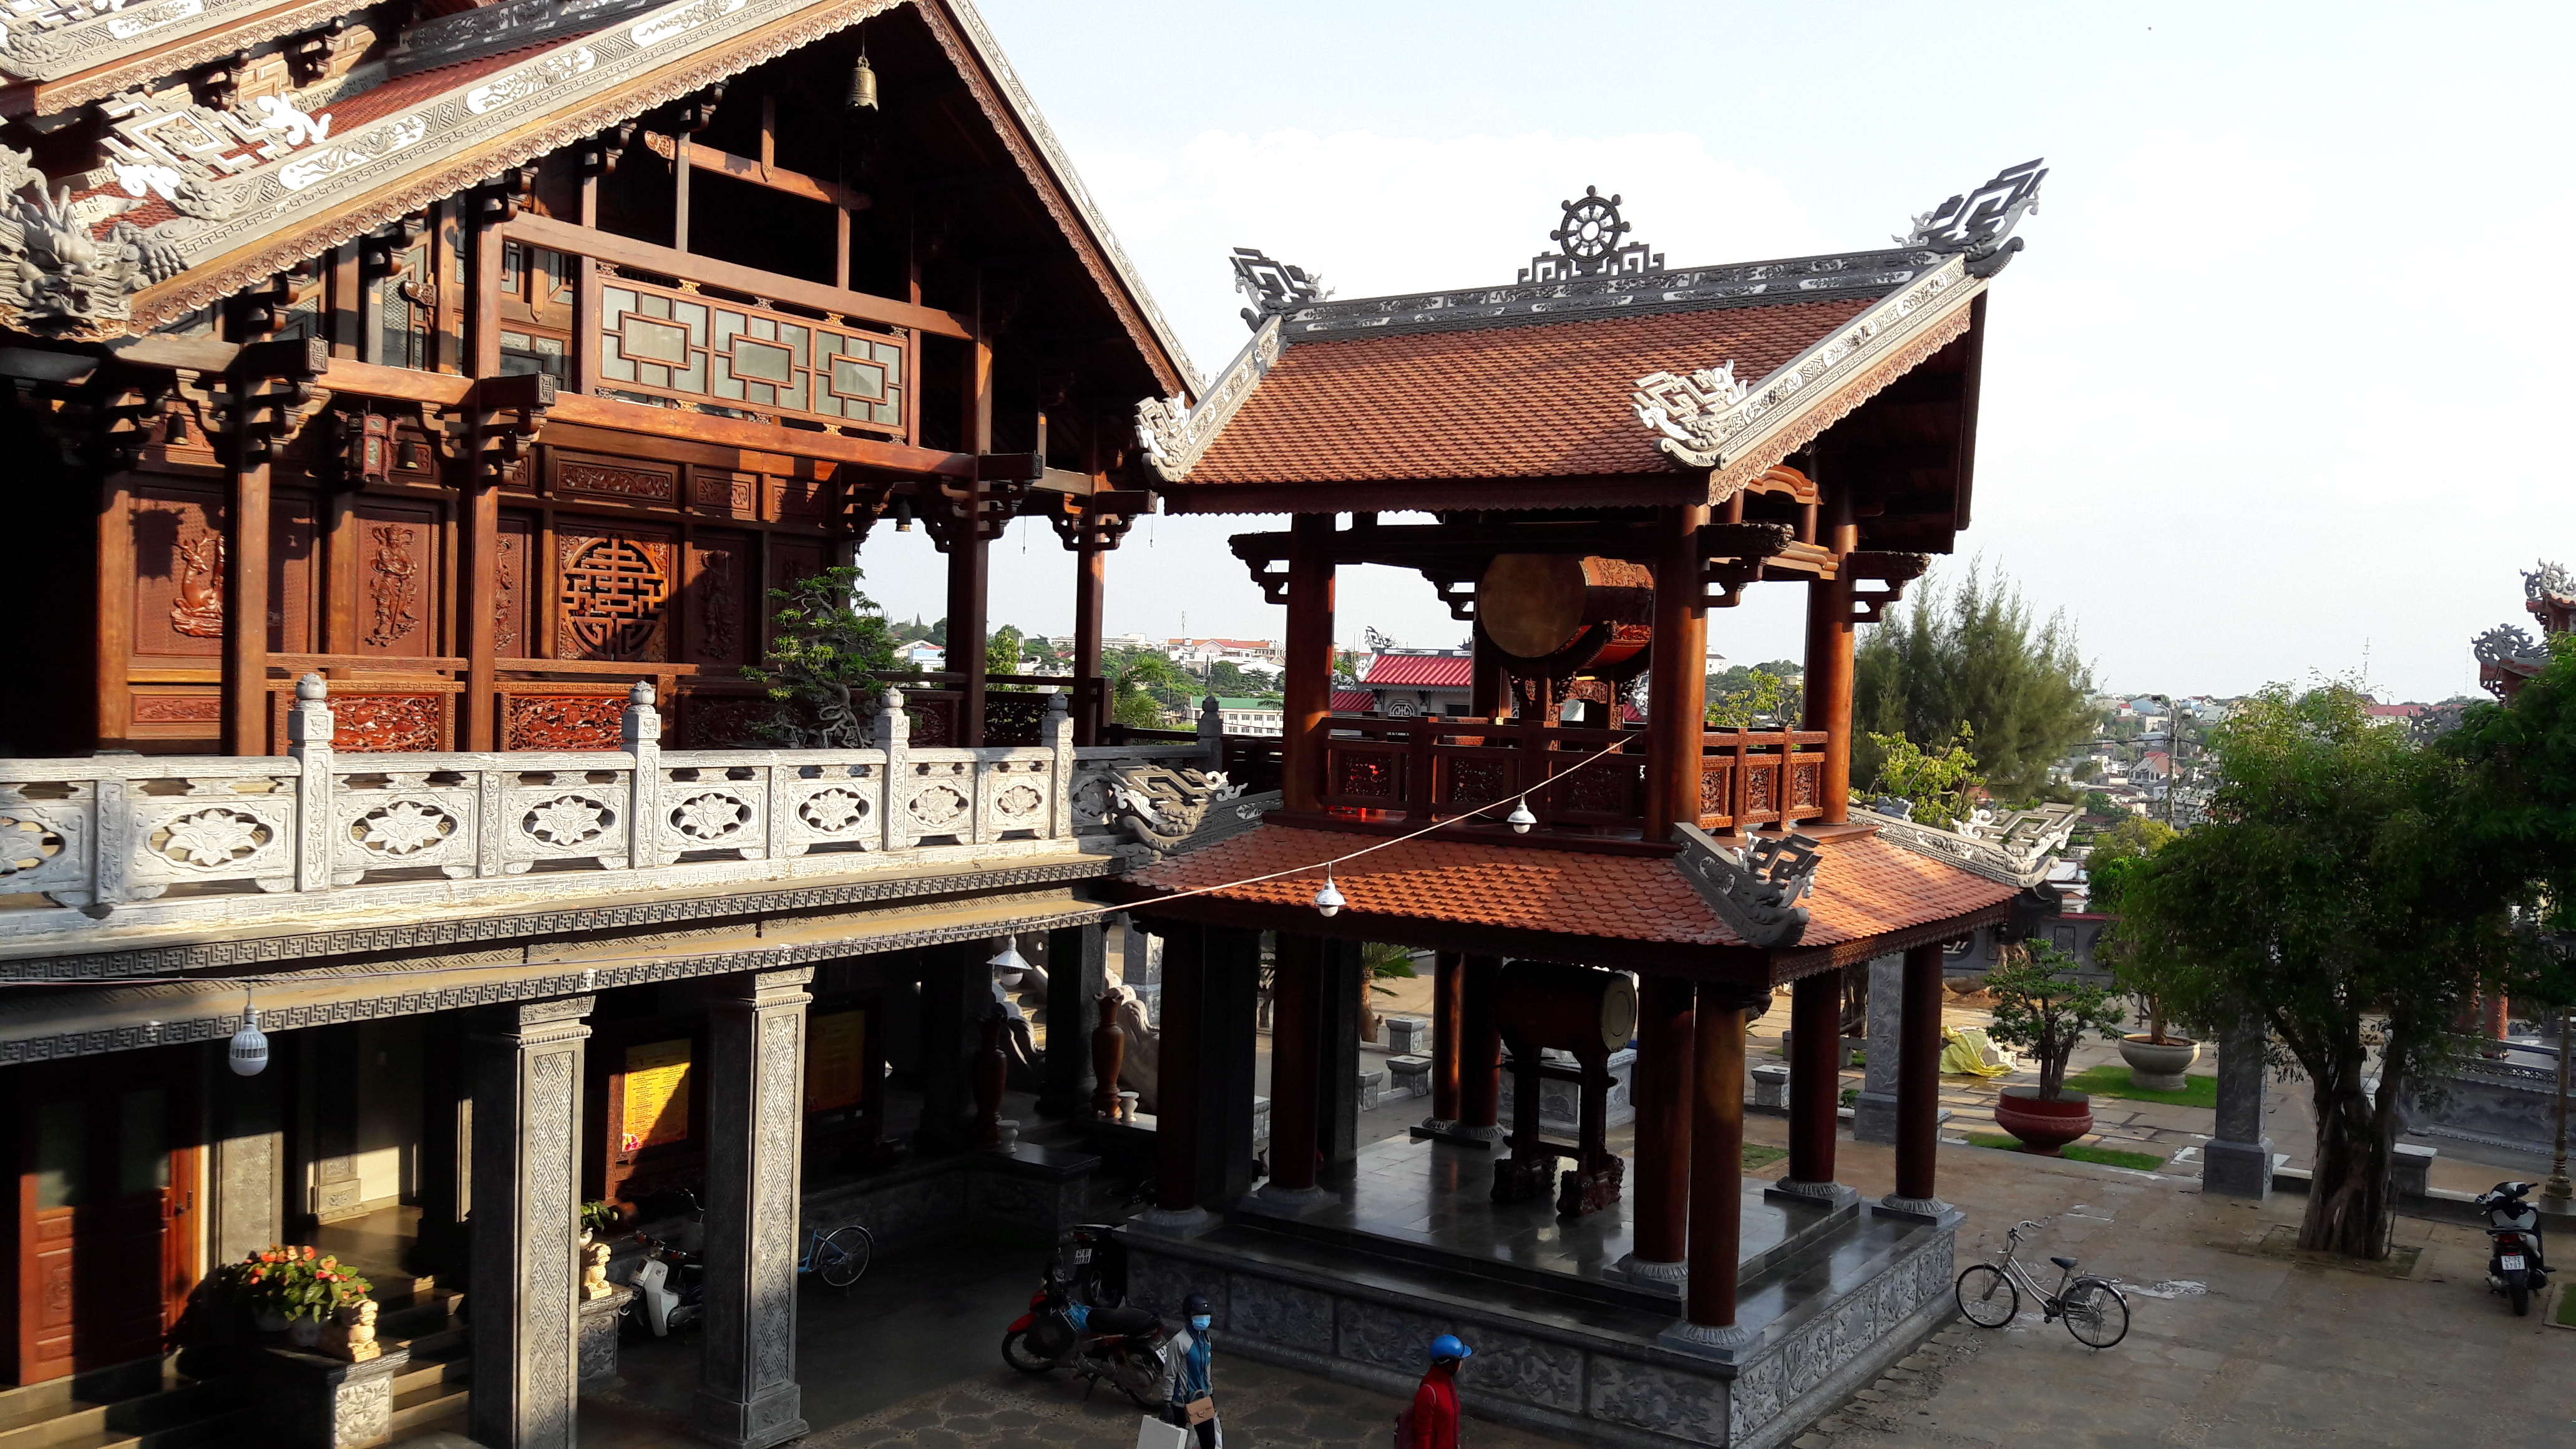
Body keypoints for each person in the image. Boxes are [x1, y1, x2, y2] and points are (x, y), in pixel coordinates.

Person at [1159, 1292, 1222, 1447]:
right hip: (1182, 1404)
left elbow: (1206, 1369)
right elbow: (1170, 1373)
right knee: (1176, 1444)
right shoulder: (1179, 1341)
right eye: (1199, 1316)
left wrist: (1210, 1392)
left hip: (1201, 1401)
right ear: (1189, 1315)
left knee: (1209, 1443)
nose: (1204, 1319)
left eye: (1207, 1316)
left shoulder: (1205, 1339)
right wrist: (1167, 1403)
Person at [1403, 1334, 1472, 1449]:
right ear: (1451, 1363)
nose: (1462, 1363)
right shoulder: (1428, 1392)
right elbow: (1423, 1435)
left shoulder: (1447, 1382)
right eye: (1460, 1359)